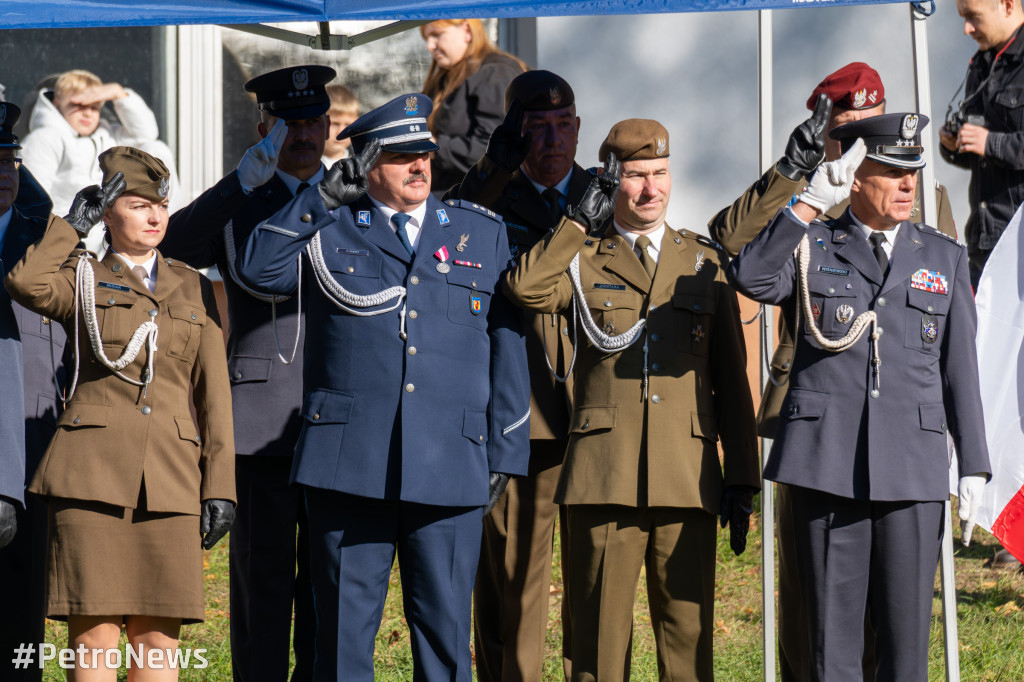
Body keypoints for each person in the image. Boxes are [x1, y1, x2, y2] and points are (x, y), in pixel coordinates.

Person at [235, 92, 531, 681]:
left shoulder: (479, 233)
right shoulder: (329, 226)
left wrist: (506, 447)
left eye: (424, 152)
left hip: (450, 460)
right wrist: (316, 200)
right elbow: (257, 270)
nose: (420, 165)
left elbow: (507, 343)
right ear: (367, 163)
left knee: (445, 641)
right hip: (351, 467)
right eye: (400, 156)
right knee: (343, 645)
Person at [708, 61, 960, 680]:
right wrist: (797, 174)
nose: (853, 144)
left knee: (898, 624)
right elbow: (733, 246)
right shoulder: (802, 202)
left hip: (899, 434)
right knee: (815, 616)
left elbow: (941, 312)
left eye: (864, 129)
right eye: (840, 130)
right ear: (822, 134)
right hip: (820, 431)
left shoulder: (915, 205)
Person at [504, 119, 760, 682]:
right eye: (637, 176)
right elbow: (524, 290)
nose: (652, 190)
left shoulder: (702, 260)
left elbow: (732, 380)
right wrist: (574, 222)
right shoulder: (580, 255)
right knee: (595, 650)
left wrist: (742, 476)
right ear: (609, 180)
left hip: (685, 476)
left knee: (688, 649)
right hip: (604, 475)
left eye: (661, 174)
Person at [4, 146, 235, 680]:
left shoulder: (193, 283)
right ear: (108, 211)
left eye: (161, 204)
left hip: (172, 483)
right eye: (136, 204)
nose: (155, 216)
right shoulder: (81, 276)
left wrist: (220, 486)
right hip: (91, 482)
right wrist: (69, 228)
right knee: (96, 641)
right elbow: (24, 284)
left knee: (158, 643)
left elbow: (214, 395)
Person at [162, 63, 335, 682]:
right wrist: (238, 182)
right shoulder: (244, 198)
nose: (305, 133)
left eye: (315, 119)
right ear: (264, 126)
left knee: (329, 587)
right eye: (290, 122)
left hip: (339, 415)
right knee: (261, 588)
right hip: (261, 422)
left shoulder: (351, 196)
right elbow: (174, 248)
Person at [447, 69, 588, 682]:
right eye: (537, 129)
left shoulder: (600, 194)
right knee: (513, 584)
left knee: (596, 584)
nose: (553, 141)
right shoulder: (490, 196)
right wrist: (489, 170)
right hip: (516, 414)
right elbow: (444, 243)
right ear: (514, 132)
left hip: (596, 414)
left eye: (564, 126)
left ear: (579, 129)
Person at [0, 102, 67, 682]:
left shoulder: (41, 232)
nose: (3, 170)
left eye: (10, 158)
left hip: (31, 437)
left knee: (25, 606)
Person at [20, 69, 183, 251]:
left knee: (157, 148)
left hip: (110, 233)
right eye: (78, 105)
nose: (87, 113)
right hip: (69, 234)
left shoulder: (109, 135)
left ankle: (171, 237)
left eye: (94, 106)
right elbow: (31, 201)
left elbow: (147, 133)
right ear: (57, 104)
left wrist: (118, 93)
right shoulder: (45, 137)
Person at [940, 0, 1024, 287]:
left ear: (1007, 5)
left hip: (1019, 245)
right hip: (983, 242)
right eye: (963, 18)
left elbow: (990, 145)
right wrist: (955, 146)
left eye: (973, 17)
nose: (966, 29)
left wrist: (990, 143)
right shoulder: (980, 64)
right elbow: (979, 155)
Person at [420, 19, 527, 195]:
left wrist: (435, 147)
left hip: (478, 204)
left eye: (437, 35)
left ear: (466, 30)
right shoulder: (452, 74)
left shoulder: (495, 73)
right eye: (426, 38)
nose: (430, 46)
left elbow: (496, 149)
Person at [322, 83, 360, 165]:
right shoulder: (303, 164)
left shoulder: (360, 163)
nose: (341, 131)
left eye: (347, 125)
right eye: (335, 124)